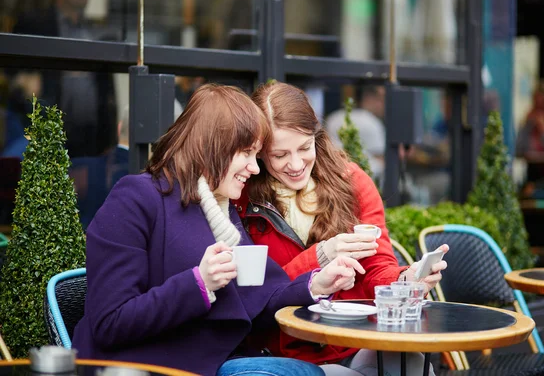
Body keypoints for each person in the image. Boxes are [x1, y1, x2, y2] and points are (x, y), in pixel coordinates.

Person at [72, 84, 366, 376]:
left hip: (214, 364)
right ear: (212, 147)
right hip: (146, 367)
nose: (254, 168)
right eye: (247, 153)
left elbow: (260, 301)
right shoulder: (136, 198)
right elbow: (110, 323)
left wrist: (315, 285)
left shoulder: (220, 209)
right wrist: (199, 283)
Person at [234, 82, 448, 375]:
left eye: (304, 148)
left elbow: (376, 267)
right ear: (259, 152)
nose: (296, 164)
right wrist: (320, 255)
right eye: (280, 155)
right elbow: (254, 297)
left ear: (317, 137)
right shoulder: (241, 196)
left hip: (352, 343)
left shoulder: (353, 182)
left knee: (411, 363)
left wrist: (406, 279)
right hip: (282, 352)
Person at [11, 0, 116, 158]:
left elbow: (107, 89)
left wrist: (110, 140)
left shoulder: (95, 31)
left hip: (90, 142)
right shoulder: (36, 24)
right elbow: (13, 73)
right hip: (46, 137)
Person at [325, 86, 386, 183]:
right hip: (364, 183)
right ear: (369, 97)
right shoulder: (372, 122)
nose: (384, 105)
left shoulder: (334, 117)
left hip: (334, 181)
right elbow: (380, 161)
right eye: (381, 99)